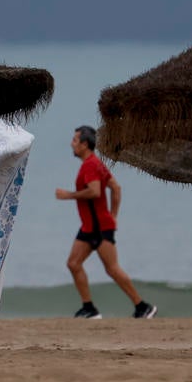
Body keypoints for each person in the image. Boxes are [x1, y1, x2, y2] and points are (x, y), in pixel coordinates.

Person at [57, 125, 154, 319]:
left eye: (75, 140)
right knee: (73, 263)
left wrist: (69, 195)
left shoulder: (90, 165)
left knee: (112, 269)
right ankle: (89, 308)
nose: (71, 144)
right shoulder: (96, 163)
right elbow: (115, 188)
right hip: (90, 227)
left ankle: (143, 307)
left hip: (100, 228)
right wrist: (113, 215)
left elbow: (95, 191)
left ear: (85, 144)